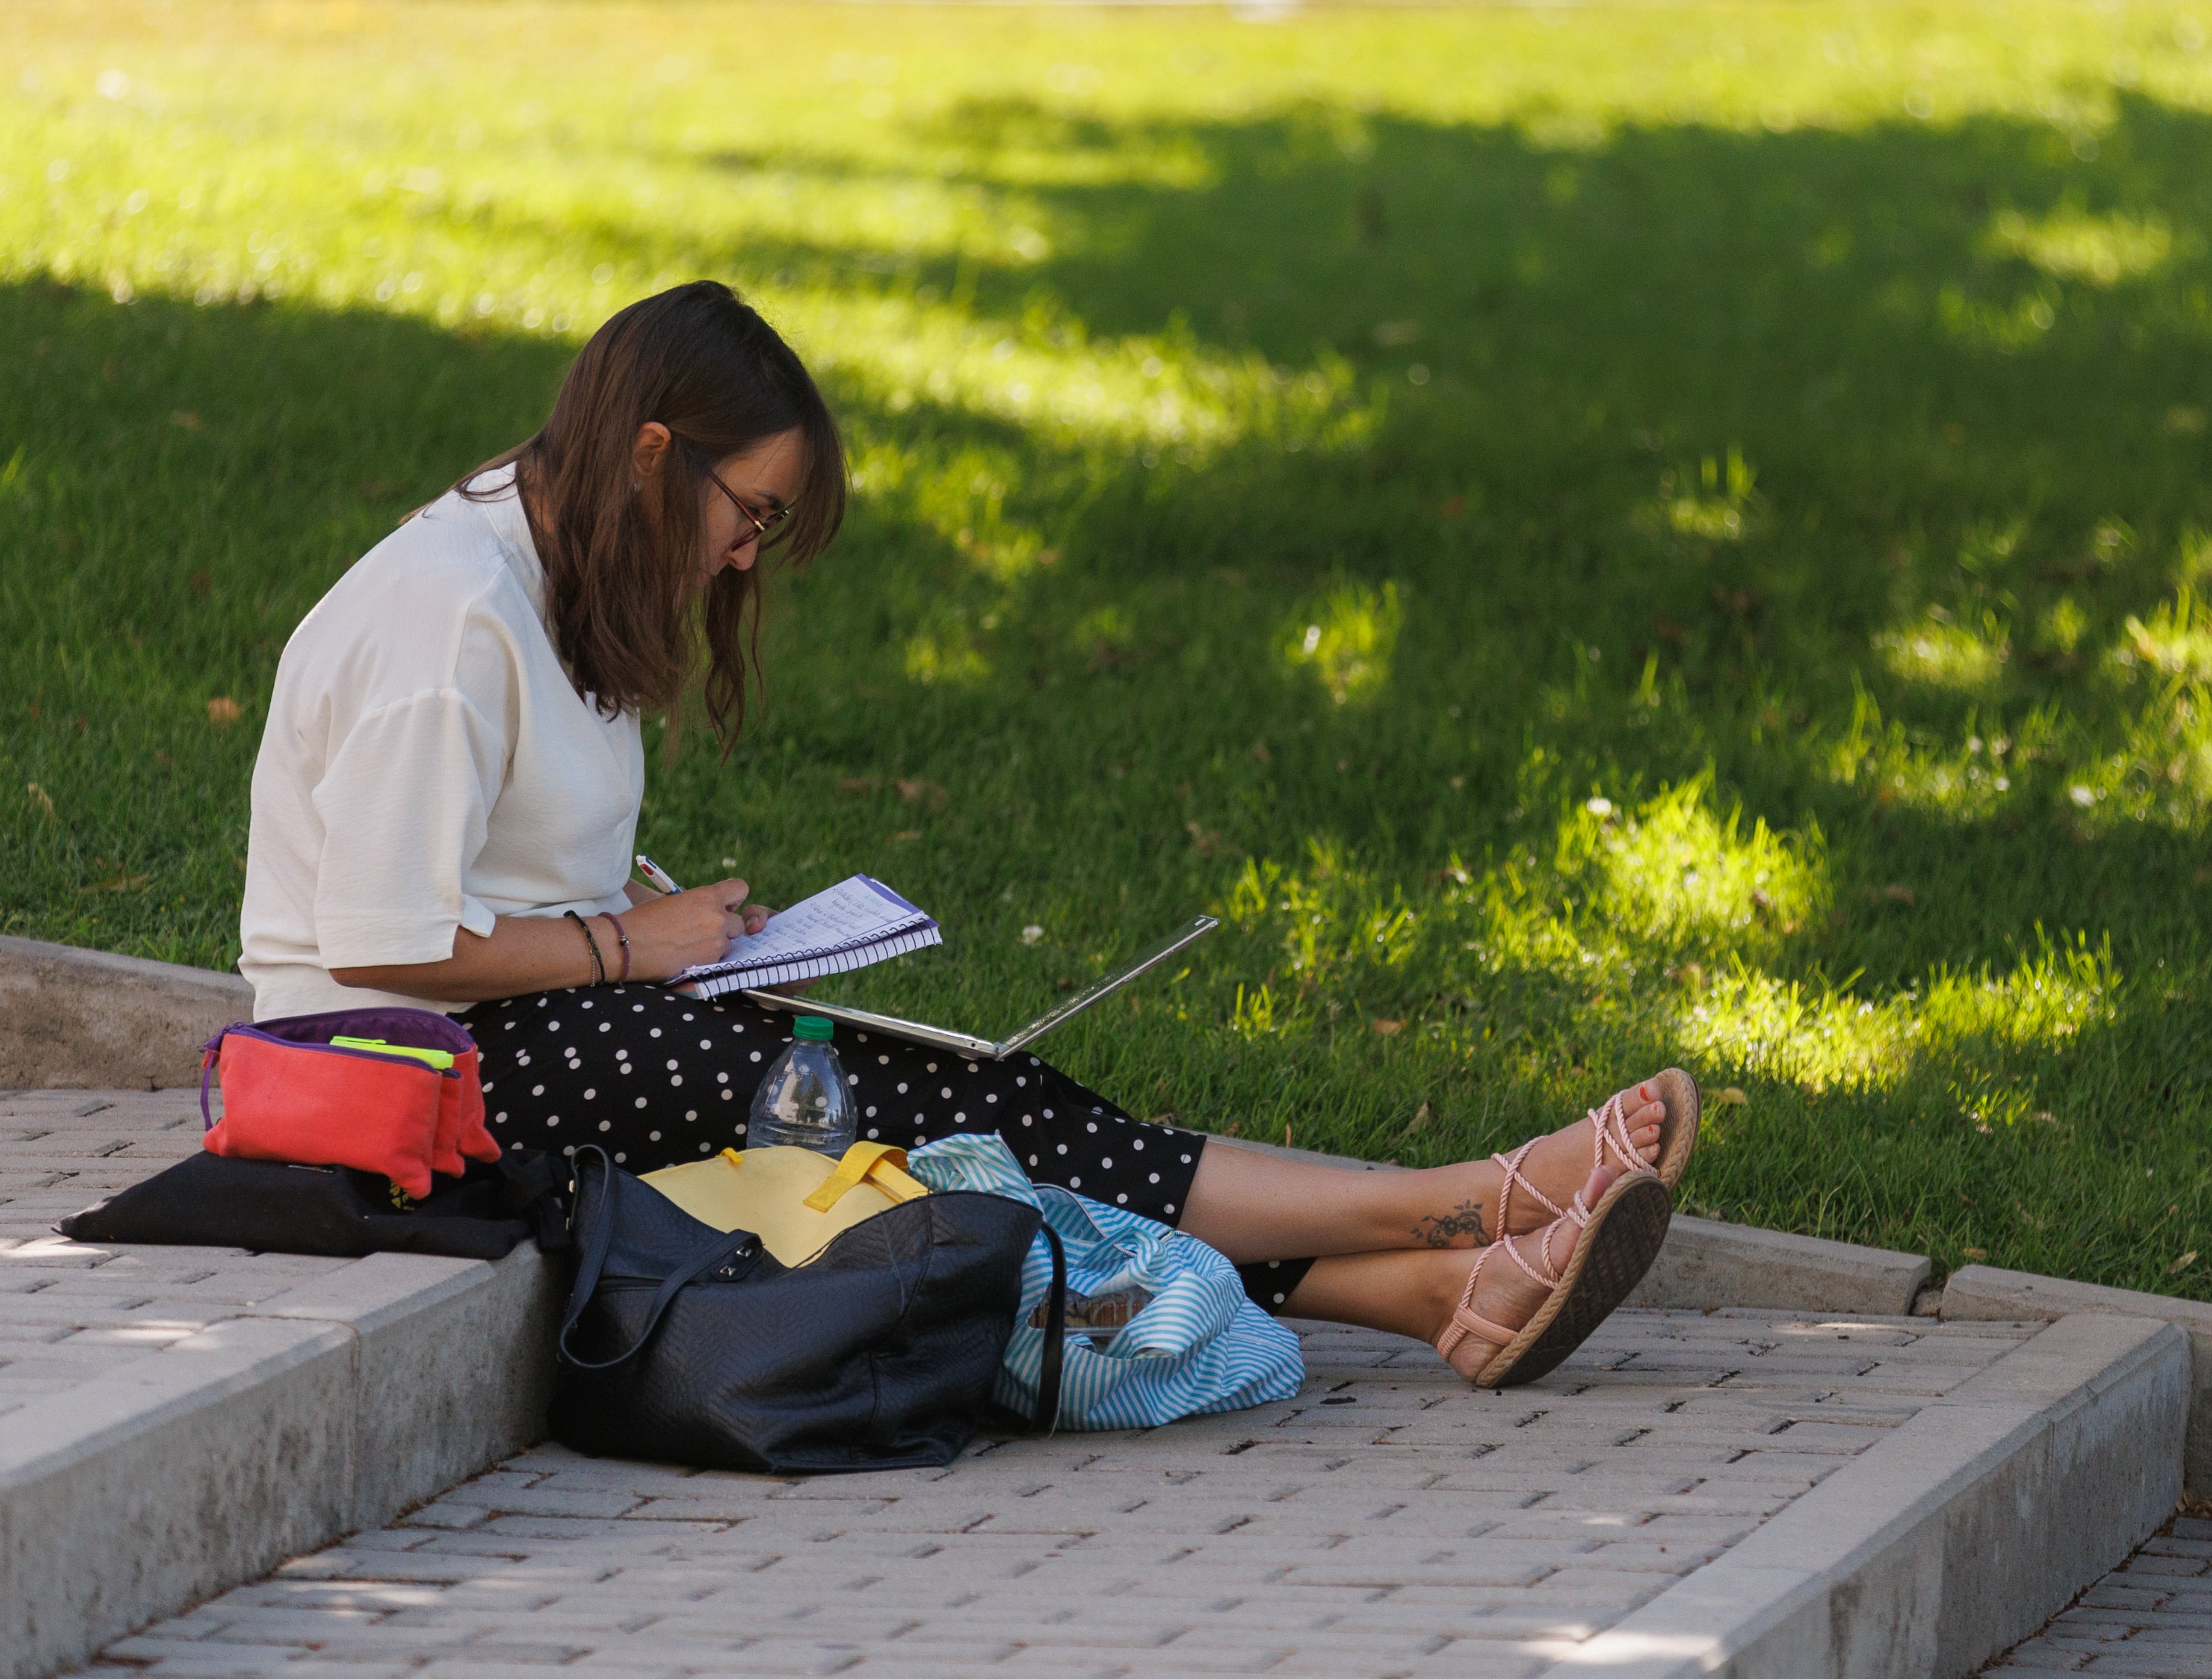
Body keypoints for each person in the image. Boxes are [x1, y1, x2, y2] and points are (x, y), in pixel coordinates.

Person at [239, 280, 1690, 1390]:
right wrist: (635, 943)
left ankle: (1435, 1294)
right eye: (748, 513)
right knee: (912, 1117)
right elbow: (383, 942)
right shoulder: (449, 620)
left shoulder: (551, 567)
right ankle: (1460, 1209)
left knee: (954, 1094)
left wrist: (662, 921)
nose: (747, 554)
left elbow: (492, 865)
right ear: (653, 453)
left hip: (535, 1030)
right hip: (394, 1075)